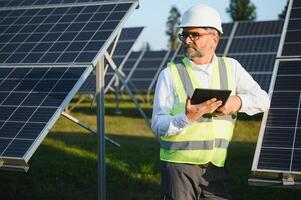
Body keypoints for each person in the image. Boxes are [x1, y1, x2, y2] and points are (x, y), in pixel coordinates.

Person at [151, 4, 270, 200]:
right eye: (184, 35)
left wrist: (238, 102)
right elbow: (157, 125)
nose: (187, 40)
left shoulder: (231, 67)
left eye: (194, 34)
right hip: (179, 166)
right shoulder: (170, 74)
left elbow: (263, 100)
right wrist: (187, 118)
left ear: (213, 38)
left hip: (216, 166)